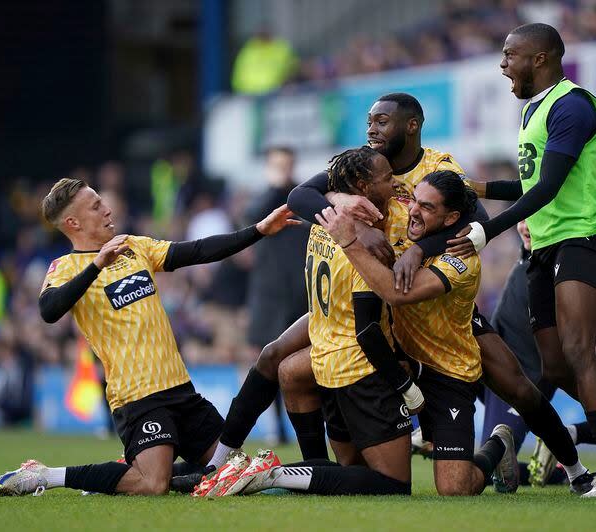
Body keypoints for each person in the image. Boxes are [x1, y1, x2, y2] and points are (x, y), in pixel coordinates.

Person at [195, 93, 488, 490]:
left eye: (381, 122)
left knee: (512, 376)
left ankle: (540, 444)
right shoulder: (358, 187)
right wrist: (349, 214)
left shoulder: (437, 170)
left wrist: (418, 248)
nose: (372, 129)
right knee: (280, 360)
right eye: (369, 121)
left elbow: (472, 219)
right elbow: (299, 195)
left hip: (408, 302)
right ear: (364, 185)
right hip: (371, 314)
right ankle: (236, 462)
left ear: (411, 125)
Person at [465, 23, 596, 496]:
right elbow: (530, 185)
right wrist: (478, 189)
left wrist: (487, 229)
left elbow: (548, 188)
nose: (503, 65)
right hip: (545, 247)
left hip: (583, 238)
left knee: (579, 351)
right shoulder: (532, 111)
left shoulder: (573, 105)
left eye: (509, 55)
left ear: (540, 58)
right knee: (556, 369)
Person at [220, 154, 518, 497]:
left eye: (426, 207)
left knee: (455, 488)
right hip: (385, 354)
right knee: (289, 370)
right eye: (412, 200)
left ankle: (498, 443)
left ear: (452, 218)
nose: (411, 209)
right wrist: (345, 208)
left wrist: (403, 248)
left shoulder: (460, 257)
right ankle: (283, 473)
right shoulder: (381, 214)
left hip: (442, 366)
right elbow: (305, 195)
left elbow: (394, 293)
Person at [0, 178, 300, 497]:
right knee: (152, 485)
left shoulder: (134, 247)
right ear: (73, 222)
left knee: (234, 472)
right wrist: (97, 264)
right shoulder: (65, 267)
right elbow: (49, 310)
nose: (107, 209)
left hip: (180, 389)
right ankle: (47, 474)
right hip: (138, 397)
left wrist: (259, 229)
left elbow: (198, 250)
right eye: (96, 206)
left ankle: (116, 475)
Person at [210, 148, 428, 497]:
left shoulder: (321, 223)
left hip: (327, 336)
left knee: (284, 365)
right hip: (356, 361)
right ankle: (276, 474)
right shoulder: (363, 241)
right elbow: (368, 329)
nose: (395, 184)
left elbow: (303, 196)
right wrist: (405, 384)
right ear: (362, 186)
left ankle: (241, 465)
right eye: (387, 179)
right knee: (393, 484)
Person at [475, 220, 596, 486]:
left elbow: (581, 277)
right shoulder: (534, 257)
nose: (525, 227)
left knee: (486, 466)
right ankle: (567, 447)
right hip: (497, 368)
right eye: (523, 220)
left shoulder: (553, 262)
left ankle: (565, 458)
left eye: (533, 221)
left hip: (526, 378)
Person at [245, 146, 310, 444]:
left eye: (287, 163)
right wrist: (276, 185)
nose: (284, 169)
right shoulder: (263, 201)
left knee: (299, 363)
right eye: (277, 164)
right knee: (266, 361)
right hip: (268, 297)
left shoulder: (303, 198)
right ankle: (276, 427)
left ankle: (303, 425)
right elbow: (253, 218)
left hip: (299, 296)